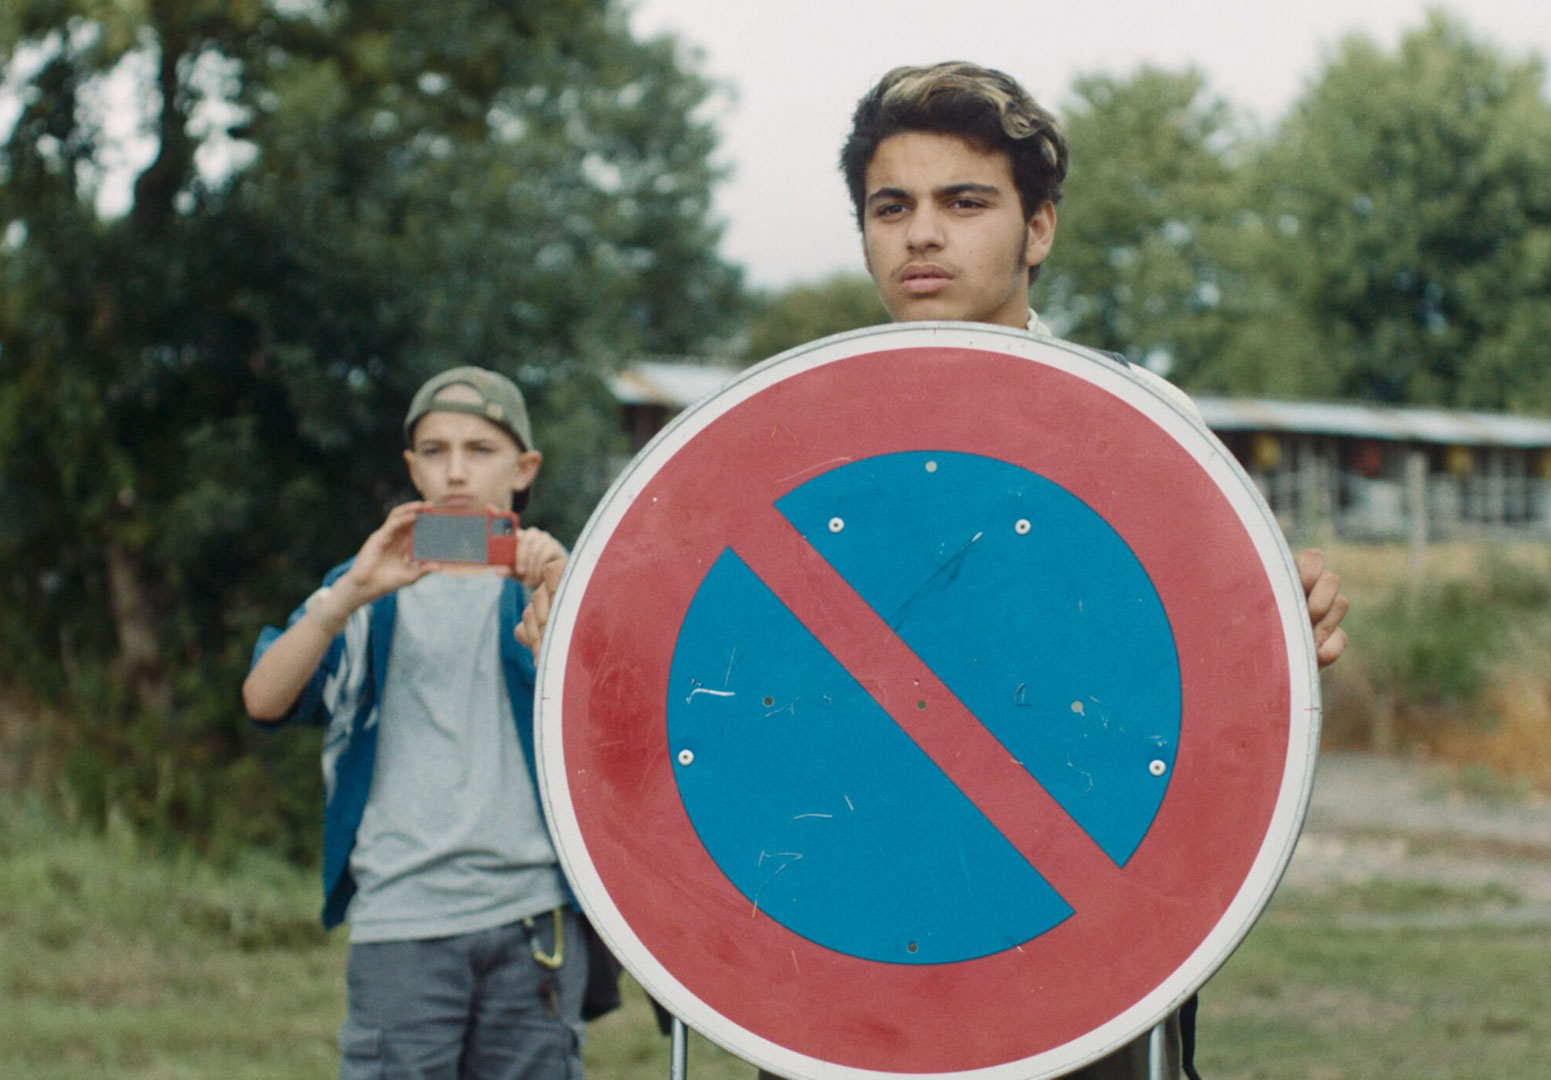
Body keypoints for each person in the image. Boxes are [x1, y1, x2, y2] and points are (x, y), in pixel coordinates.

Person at [516, 62, 1348, 1080]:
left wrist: (1274, 635)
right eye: (891, 207)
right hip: (842, 946)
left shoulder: (1142, 423)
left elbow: (1187, 697)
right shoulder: (785, 429)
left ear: (1037, 228)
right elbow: (721, 695)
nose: (921, 234)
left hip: (1066, 968)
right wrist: (589, 649)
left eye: (964, 202)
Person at [244, 366, 592, 1080]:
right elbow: (264, 699)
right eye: (435, 451)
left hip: (536, 917)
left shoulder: (565, 583)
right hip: (402, 917)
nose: (456, 471)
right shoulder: (368, 587)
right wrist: (349, 594)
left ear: (524, 468)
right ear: (412, 468)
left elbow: (620, 731)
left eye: (480, 449)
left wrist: (564, 592)